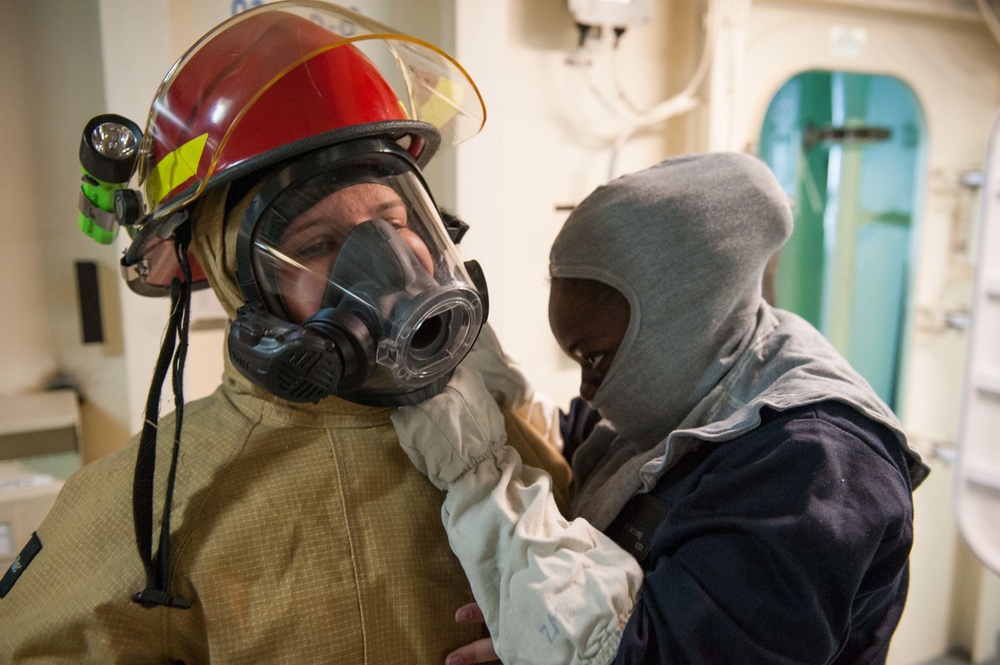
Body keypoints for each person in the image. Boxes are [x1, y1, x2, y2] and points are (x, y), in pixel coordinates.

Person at [0, 4, 569, 662]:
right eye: (320, 242)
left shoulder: (496, 433)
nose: (385, 262)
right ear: (234, 275)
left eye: (391, 217)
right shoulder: (151, 509)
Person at [391, 152, 931, 665]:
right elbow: (597, 455)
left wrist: (477, 475)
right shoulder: (704, 373)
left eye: (596, 359)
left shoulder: (816, 465)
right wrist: (496, 386)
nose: (589, 391)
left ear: (680, 319)